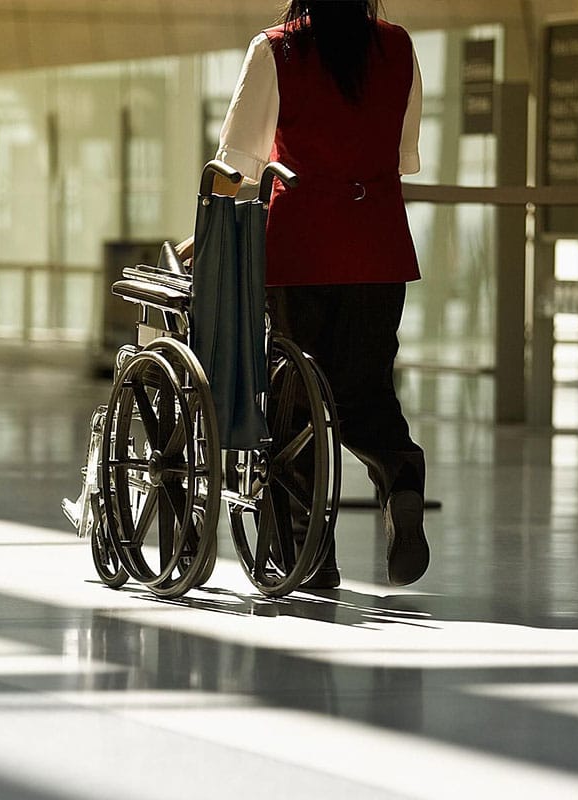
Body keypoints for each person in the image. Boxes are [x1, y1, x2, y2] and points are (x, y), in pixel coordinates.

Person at [179, 0, 428, 587]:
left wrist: (206, 235)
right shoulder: (397, 47)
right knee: (366, 386)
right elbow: (401, 155)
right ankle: (401, 478)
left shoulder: (277, 49)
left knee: (296, 402)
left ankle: (308, 553)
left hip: (300, 249)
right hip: (378, 246)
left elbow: (237, 163)